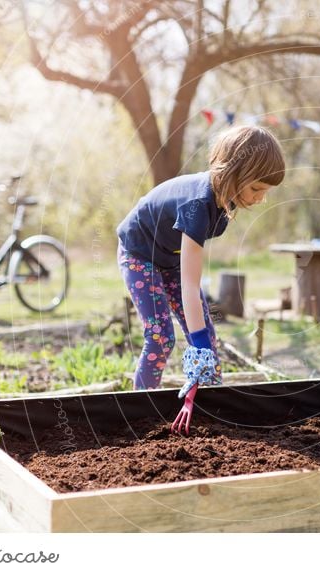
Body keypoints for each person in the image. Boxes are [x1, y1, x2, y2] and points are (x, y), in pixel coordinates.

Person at [116, 125, 285, 433]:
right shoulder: (197, 206)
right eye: (257, 189)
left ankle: (213, 413)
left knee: (208, 335)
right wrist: (196, 344)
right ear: (234, 174)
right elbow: (191, 286)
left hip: (168, 258)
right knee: (161, 338)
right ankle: (139, 414)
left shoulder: (223, 201)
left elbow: (189, 278)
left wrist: (202, 339)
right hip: (139, 255)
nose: (261, 200)